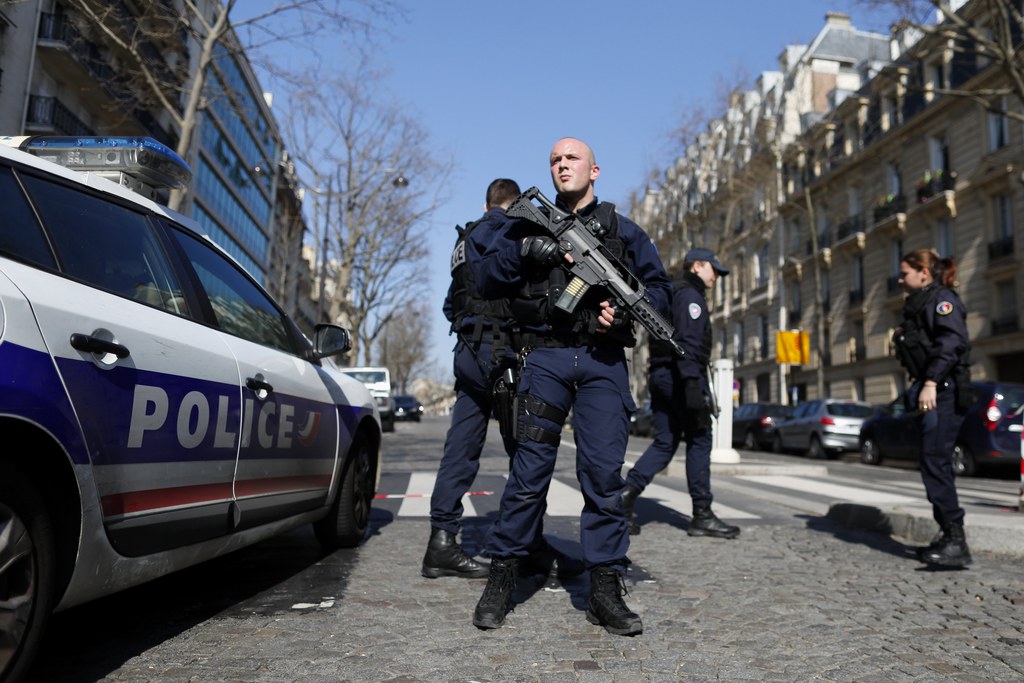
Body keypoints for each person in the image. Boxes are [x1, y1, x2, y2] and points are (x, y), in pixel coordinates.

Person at [467, 137, 671, 635]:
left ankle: (604, 584)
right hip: (546, 355)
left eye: (571, 158)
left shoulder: (625, 232)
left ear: (594, 170)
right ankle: (503, 575)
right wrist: (524, 251)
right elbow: (484, 277)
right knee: (528, 473)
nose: (562, 165)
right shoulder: (522, 222)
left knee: (603, 475)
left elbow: (661, 290)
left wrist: (619, 309)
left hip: (603, 361)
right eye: (555, 160)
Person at [423, 178, 581, 580]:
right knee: (526, 448)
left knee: (461, 446)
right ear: (514, 206)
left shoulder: (464, 241)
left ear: (486, 201)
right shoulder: (502, 229)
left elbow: (449, 304)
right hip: (500, 352)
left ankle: (441, 542)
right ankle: (528, 544)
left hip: (468, 351)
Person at [620, 249, 740, 540]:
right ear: (698, 266)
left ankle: (624, 498)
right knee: (700, 439)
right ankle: (702, 515)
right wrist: (691, 388)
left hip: (662, 375)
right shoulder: (690, 296)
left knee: (665, 442)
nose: (716, 276)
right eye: (714, 269)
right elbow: (687, 344)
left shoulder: (672, 291)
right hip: (680, 377)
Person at [893, 248, 972, 568]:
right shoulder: (919, 303)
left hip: (944, 391)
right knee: (931, 462)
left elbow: (952, 343)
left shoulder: (942, 300)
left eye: (905, 273)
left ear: (923, 272)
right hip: (933, 390)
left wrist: (930, 382)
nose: (899, 279)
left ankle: (956, 540)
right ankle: (947, 534)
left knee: (936, 462)